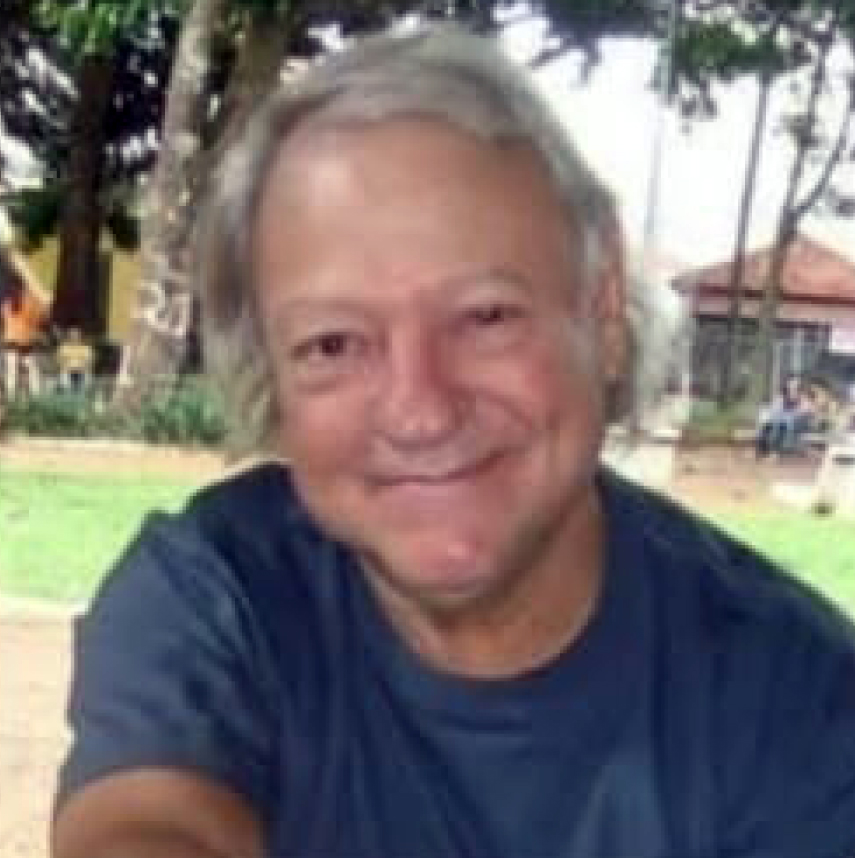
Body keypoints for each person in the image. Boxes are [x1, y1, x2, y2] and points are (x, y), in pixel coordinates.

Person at [52, 27, 855, 858]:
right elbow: (142, 828)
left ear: (603, 313)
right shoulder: (221, 595)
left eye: (484, 317)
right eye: (333, 344)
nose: (419, 411)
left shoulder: (795, 699)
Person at [0, 254, 49, 400]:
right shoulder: (26, 300)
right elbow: (40, 318)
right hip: (22, 339)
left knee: (18, 367)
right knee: (23, 367)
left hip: (19, 339)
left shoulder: (15, 302)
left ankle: (19, 396)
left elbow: (39, 318)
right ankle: (27, 396)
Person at [56, 328, 95, 394]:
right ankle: (66, 391)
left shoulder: (86, 348)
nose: (74, 338)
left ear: (80, 337)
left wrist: (82, 367)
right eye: (72, 336)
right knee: (63, 372)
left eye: (76, 336)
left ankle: (85, 392)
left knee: (87, 372)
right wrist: (66, 366)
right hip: (67, 369)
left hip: (82, 368)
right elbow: (59, 360)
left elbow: (89, 360)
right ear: (69, 337)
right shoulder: (63, 347)